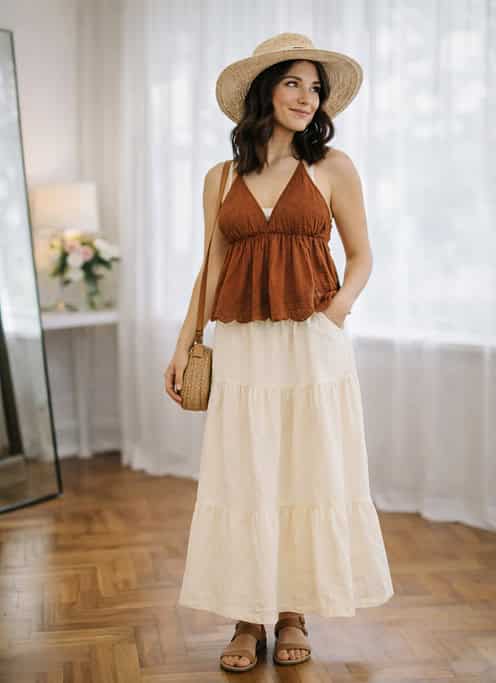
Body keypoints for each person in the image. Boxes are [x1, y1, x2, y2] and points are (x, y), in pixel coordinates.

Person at [163, 33, 393, 673]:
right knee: (245, 472)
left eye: (314, 87)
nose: (306, 96)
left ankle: (292, 611)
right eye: (294, 82)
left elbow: (363, 253)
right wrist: (186, 345)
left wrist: (337, 310)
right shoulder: (221, 178)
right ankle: (246, 615)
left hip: (311, 344)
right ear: (264, 90)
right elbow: (209, 268)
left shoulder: (332, 167)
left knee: (306, 469)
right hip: (241, 345)